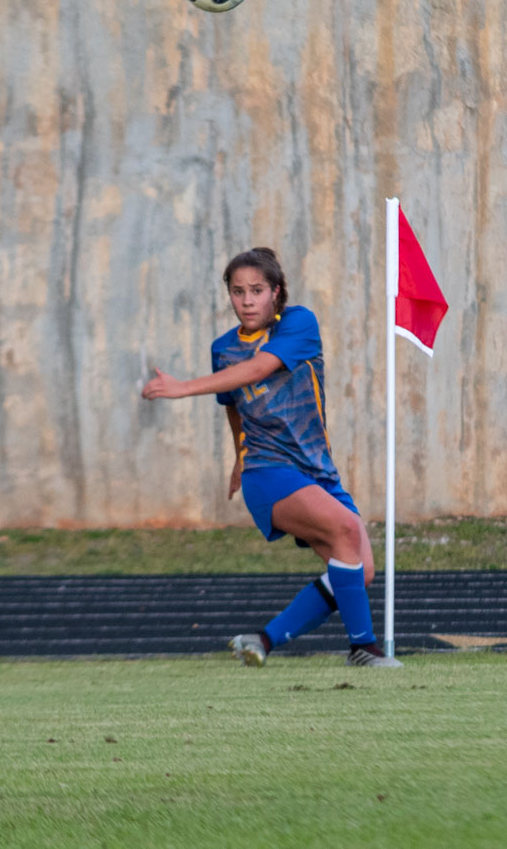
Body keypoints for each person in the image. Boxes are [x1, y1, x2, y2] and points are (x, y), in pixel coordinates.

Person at [141, 247, 402, 669]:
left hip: (317, 470)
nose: (247, 301)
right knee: (345, 529)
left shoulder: (299, 323)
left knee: (360, 569)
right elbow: (234, 404)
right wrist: (239, 458)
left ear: (276, 292)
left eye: (257, 290)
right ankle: (363, 648)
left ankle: (262, 639)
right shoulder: (223, 348)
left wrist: (183, 387)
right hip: (267, 471)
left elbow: (258, 369)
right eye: (238, 291)